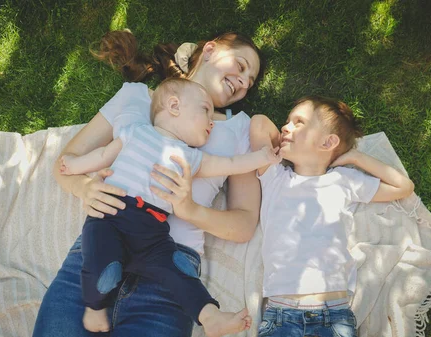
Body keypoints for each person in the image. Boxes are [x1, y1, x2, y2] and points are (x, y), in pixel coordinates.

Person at [33, 29, 263, 337]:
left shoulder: (240, 129)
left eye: (250, 81)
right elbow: (67, 161)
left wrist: (188, 208)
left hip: (167, 270)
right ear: (210, 50)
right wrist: (84, 188)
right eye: (241, 65)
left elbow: (245, 224)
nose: (244, 83)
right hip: (98, 248)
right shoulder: (135, 97)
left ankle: (209, 315)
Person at [249, 96, 415, 337]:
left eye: (299, 122)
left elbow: (403, 187)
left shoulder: (343, 180)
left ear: (328, 142)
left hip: (333, 316)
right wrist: (286, 143)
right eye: (287, 122)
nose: (286, 127)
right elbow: (259, 123)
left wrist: (356, 157)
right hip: (281, 315)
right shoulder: (275, 176)